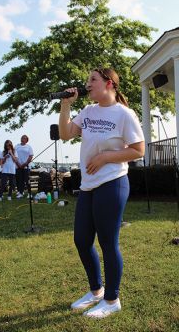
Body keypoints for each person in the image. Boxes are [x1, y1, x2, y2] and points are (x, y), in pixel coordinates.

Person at [59, 68, 145, 318]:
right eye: (87, 81)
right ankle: (96, 291)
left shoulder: (124, 114)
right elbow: (65, 135)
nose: (87, 85)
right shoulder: (87, 111)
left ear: (109, 84)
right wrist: (66, 106)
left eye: (92, 80)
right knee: (82, 241)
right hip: (88, 186)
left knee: (108, 243)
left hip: (113, 183)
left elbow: (139, 150)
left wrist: (107, 156)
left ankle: (111, 299)